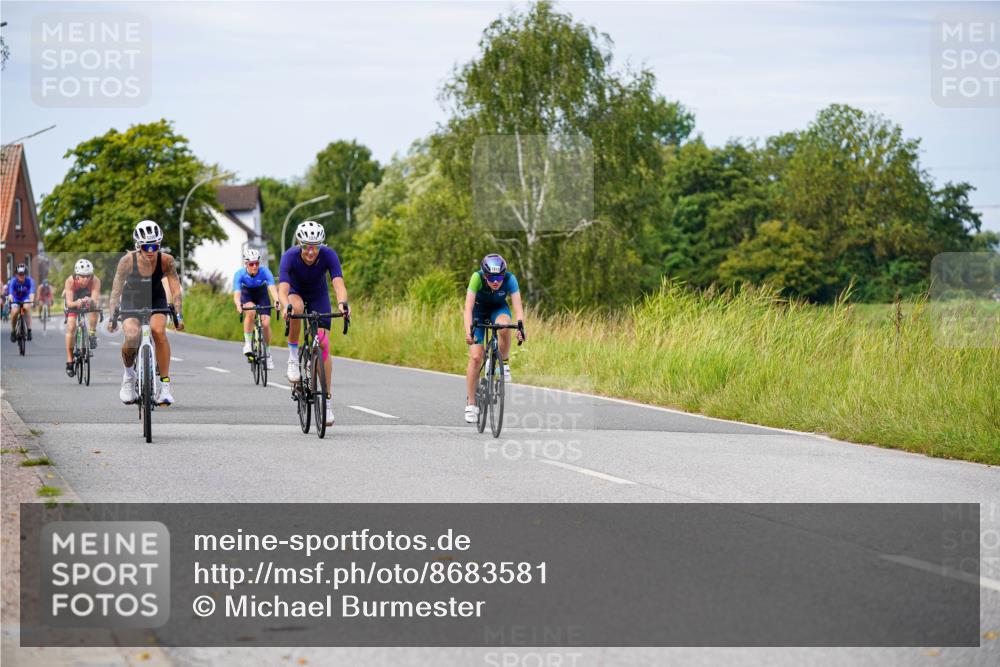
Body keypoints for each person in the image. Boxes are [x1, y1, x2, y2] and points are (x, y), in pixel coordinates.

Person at [278, 220, 348, 427]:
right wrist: (285, 306)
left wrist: (343, 303)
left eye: (315, 246)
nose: (311, 252)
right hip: (295, 293)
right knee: (296, 309)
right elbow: (282, 288)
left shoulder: (328, 255)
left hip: (318, 295)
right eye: (307, 246)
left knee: (324, 342)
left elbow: (338, 283)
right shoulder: (289, 256)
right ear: (299, 242)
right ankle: (293, 357)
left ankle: (326, 402)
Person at [106, 220, 185, 405]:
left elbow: (176, 290)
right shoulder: (127, 261)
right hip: (131, 298)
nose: (150, 250)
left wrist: (178, 315)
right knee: (132, 336)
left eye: (155, 246)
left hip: (155, 297)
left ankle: (164, 387)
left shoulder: (167, 261)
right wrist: (112, 317)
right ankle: (129, 376)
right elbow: (116, 291)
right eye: (146, 246)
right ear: (138, 245)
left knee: (158, 331)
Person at [463, 253, 525, 424]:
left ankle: (503, 363)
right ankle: (471, 403)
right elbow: (467, 308)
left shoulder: (510, 279)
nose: (496, 281)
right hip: (478, 312)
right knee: (476, 357)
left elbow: (518, 308)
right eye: (491, 277)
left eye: (499, 277)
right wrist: (469, 332)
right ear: (484, 274)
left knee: (505, 325)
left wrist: (521, 328)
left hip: (498, 309)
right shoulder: (477, 278)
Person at [232, 247, 278, 370]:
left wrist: (277, 301)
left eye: (256, 263)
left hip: (261, 294)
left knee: (266, 324)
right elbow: (237, 294)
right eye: (251, 264)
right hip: (247, 294)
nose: (254, 266)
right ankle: (247, 344)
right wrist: (238, 305)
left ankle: (267, 354)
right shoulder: (239, 274)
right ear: (246, 264)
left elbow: (272, 289)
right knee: (251, 311)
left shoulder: (265, 272)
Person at [62, 259, 102, 376]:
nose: (85, 279)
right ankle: (70, 360)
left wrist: (90, 301)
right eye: (82, 276)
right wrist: (76, 303)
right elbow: (69, 303)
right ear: (76, 276)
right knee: (71, 327)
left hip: (88, 297)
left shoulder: (95, 281)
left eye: (88, 276)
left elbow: (94, 300)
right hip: (74, 300)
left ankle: (92, 334)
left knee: (94, 309)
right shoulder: (70, 281)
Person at [7, 264, 35, 342]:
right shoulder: (13, 281)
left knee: (26, 308)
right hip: (16, 298)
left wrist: (31, 301)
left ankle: (29, 330)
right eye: (19, 274)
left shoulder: (29, 281)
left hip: (25, 297)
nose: (21, 276)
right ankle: (13, 331)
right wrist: (11, 301)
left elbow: (32, 293)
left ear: (25, 274)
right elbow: (10, 294)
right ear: (16, 274)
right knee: (14, 312)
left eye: (23, 274)